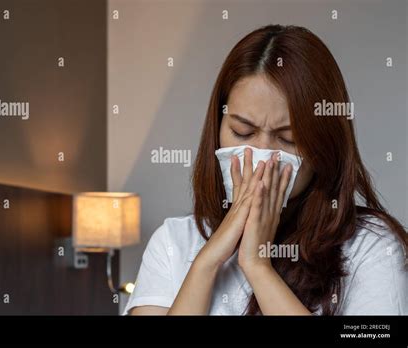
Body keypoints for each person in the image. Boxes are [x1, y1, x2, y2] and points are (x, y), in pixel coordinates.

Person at [123, 25, 408, 315]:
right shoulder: (174, 241)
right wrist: (205, 265)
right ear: (218, 128)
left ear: (323, 146)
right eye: (243, 132)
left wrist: (258, 267)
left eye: (288, 139)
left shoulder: (371, 248)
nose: (262, 157)